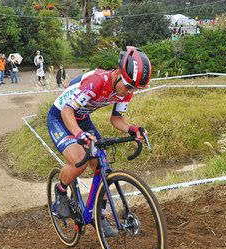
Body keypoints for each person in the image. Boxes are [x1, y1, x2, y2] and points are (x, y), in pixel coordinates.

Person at [46, 46, 152, 237]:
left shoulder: (126, 90)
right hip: (60, 117)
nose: (129, 92)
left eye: (134, 89)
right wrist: (79, 134)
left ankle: (99, 216)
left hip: (82, 118)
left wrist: (132, 129)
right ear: (119, 73)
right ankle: (61, 190)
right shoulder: (96, 82)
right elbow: (67, 111)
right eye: (128, 86)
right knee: (80, 161)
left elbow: (116, 119)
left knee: (102, 166)